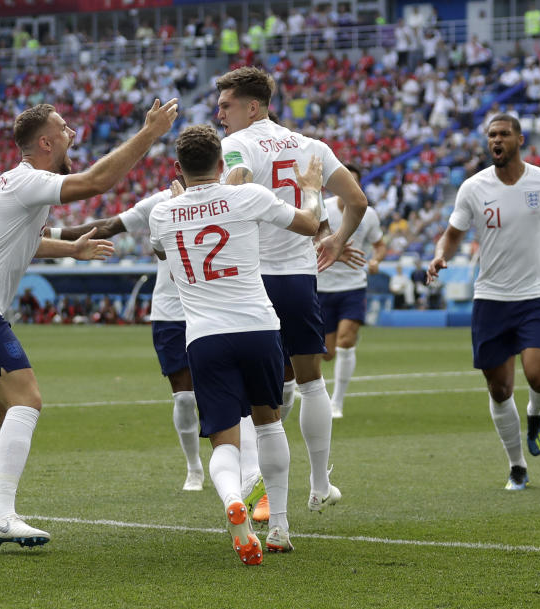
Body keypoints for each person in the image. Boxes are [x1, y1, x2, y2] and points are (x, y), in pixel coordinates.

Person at [0, 98, 178, 545]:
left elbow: (29, 241)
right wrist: (149, 134)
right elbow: (96, 182)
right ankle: (1, 515)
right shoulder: (29, 181)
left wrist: (74, 249)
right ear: (46, 142)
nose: (72, 134)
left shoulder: (16, 184)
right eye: (64, 128)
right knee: (27, 401)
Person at [149, 124, 324, 563]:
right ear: (220, 161)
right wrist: (312, 190)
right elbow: (309, 224)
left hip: (205, 335)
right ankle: (280, 526)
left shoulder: (162, 212)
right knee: (269, 424)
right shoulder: (247, 196)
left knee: (225, 441)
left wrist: (178, 204)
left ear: (178, 168)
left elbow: (160, 252)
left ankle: (233, 499)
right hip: (258, 326)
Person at [216, 66, 368, 512]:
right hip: (299, 278)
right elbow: (356, 200)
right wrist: (337, 241)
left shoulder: (236, 145)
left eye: (226, 105)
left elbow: (234, 183)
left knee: (249, 390)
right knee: (311, 381)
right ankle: (320, 485)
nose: (220, 113)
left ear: (252, 106)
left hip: (250, 281)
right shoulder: (311, 146)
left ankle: (256, 482)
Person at [426, 115, 540, 490]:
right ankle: (517, 465)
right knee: (498, 389)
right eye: (491, 136)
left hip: (534, 296)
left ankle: (535, 413)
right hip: (491, 299)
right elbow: (452, 234)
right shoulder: (473, 187)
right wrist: (440, 255)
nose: (496, 140)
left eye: (503, 135)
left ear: (519, 139)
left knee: (539, 375)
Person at [45, 189, 207, 492]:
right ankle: (194, 467)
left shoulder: (224, 196)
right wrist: (52, 231)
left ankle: (239, 465)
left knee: (222, 394)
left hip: (214, 308)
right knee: (185, 398)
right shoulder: (160, 201)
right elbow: (108, 226)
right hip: (171, 312)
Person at [316, 164, 386, 419]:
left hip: (353, 286)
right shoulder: (322, 208)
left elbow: (380, 244)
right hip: (322, 287)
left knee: (347, 340)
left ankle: (337, 402)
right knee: (326, 353)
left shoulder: (369, 214)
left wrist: (377, 259)